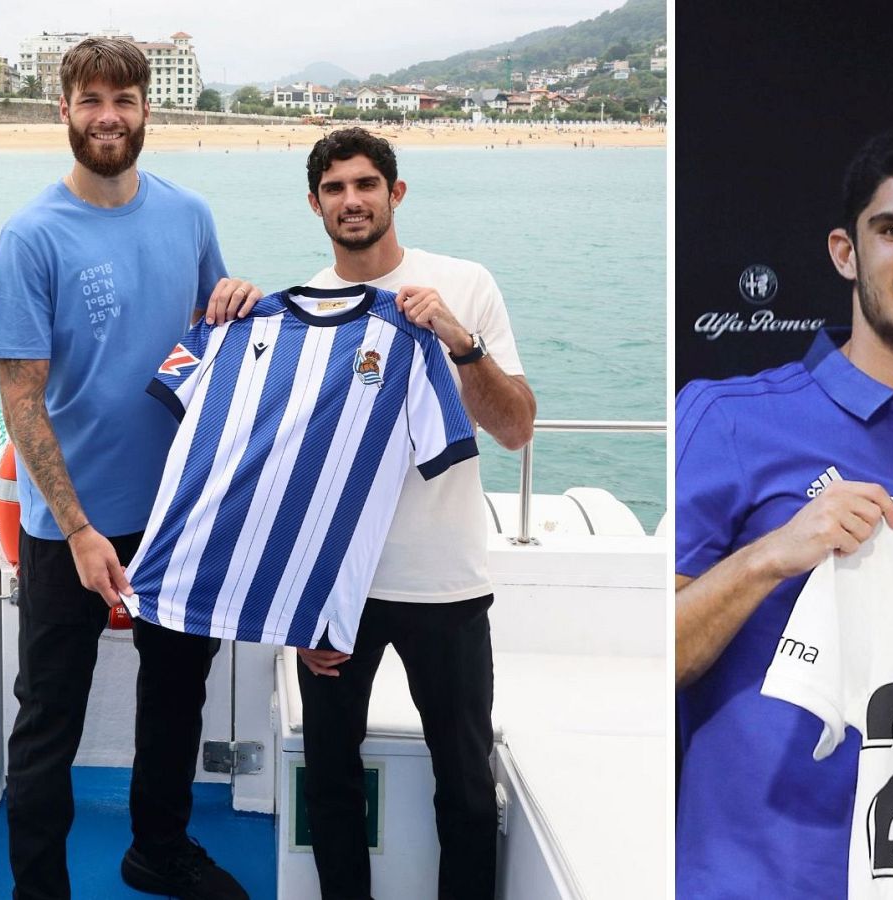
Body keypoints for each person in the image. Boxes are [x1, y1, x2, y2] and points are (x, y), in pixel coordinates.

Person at [673, 126, 893, 897]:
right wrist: (771, 554)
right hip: (749, 880)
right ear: (847, 253)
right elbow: (645, 656)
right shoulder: (727, 419)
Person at [218, 126, 534, 899]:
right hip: (337, 592)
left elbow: (517, 425)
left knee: (464, 783)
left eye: (365, 185)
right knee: (329, 779)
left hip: (447, 583)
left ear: (395, 194)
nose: (351, 200)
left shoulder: (464, 284)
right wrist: (297, 610)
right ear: (314, 204)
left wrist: (461, 344)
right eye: (335, 189)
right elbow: (280, 472)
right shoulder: (298, 312)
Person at [0, 37, 257, 900]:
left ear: (147, 110)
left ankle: (158, 849)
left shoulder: (191, 215)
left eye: (124, 99)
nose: (108, 116)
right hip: (67, 527)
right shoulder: (30, 236)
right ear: (63, 110)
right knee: (48, 722)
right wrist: (79, 527)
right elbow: (23, 399)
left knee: (176, 699)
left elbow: (209, 343)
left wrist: (237, 300)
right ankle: (40, 888)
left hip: (177, 512)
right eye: (91, 100)